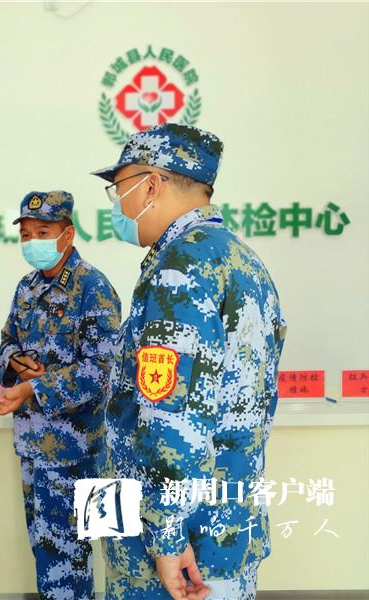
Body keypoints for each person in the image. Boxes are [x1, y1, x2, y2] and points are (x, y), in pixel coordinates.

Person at [92, 123, 286, 600]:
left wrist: (166, 536)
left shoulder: (180, 267)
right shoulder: (239, 258)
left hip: (176, 548)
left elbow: (173, 419)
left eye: (119, 188)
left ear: (150, 185)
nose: (116, 204)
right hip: (223, 522)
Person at [0, 190, 121, 600]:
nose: (32, 242)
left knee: (72, 558)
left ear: (67, 234)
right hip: (34, 446)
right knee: (48, 553)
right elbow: (7, 341)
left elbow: (102, 371)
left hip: (78, 450)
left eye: (42, 232)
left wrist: (35, 386)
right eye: (26, 234)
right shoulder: (26, 288)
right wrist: (16, 363)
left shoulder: (93, 288)